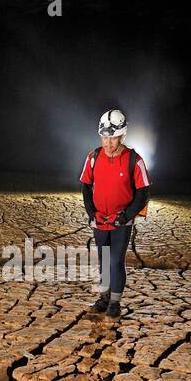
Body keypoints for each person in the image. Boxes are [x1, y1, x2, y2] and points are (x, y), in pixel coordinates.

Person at [79, 108, 151, 318]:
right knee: (104, 260)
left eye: (113, 138)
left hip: (121, 222)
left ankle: (115, 303)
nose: (108, 143)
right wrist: (92, 213)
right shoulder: (93, 157)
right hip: (100, 220)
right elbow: (85, 186)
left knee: (116, 261)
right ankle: (103, 298)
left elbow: (143, 191)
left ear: (122, 136)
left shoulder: (133, 160)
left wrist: (127, 215)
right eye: (104, 137)